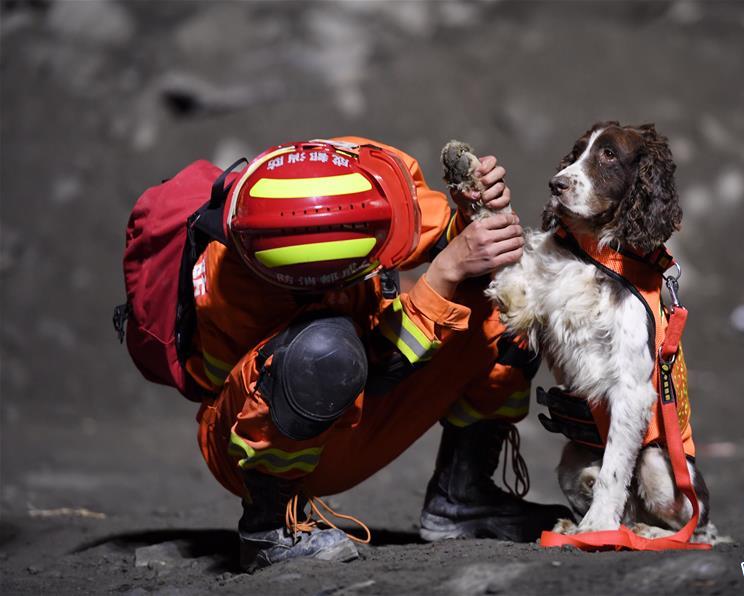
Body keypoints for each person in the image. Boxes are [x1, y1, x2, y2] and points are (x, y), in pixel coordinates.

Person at [188, 136, 569, 571]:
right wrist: (444, 274)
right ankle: (269, 530)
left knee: (506, 304)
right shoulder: (242, 287)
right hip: (255, 444)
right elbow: (372, 368)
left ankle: (463, 497)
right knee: (321, 351)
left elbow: (429, 232)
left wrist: (469, 217)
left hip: (347, 402)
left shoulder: (356, 176)